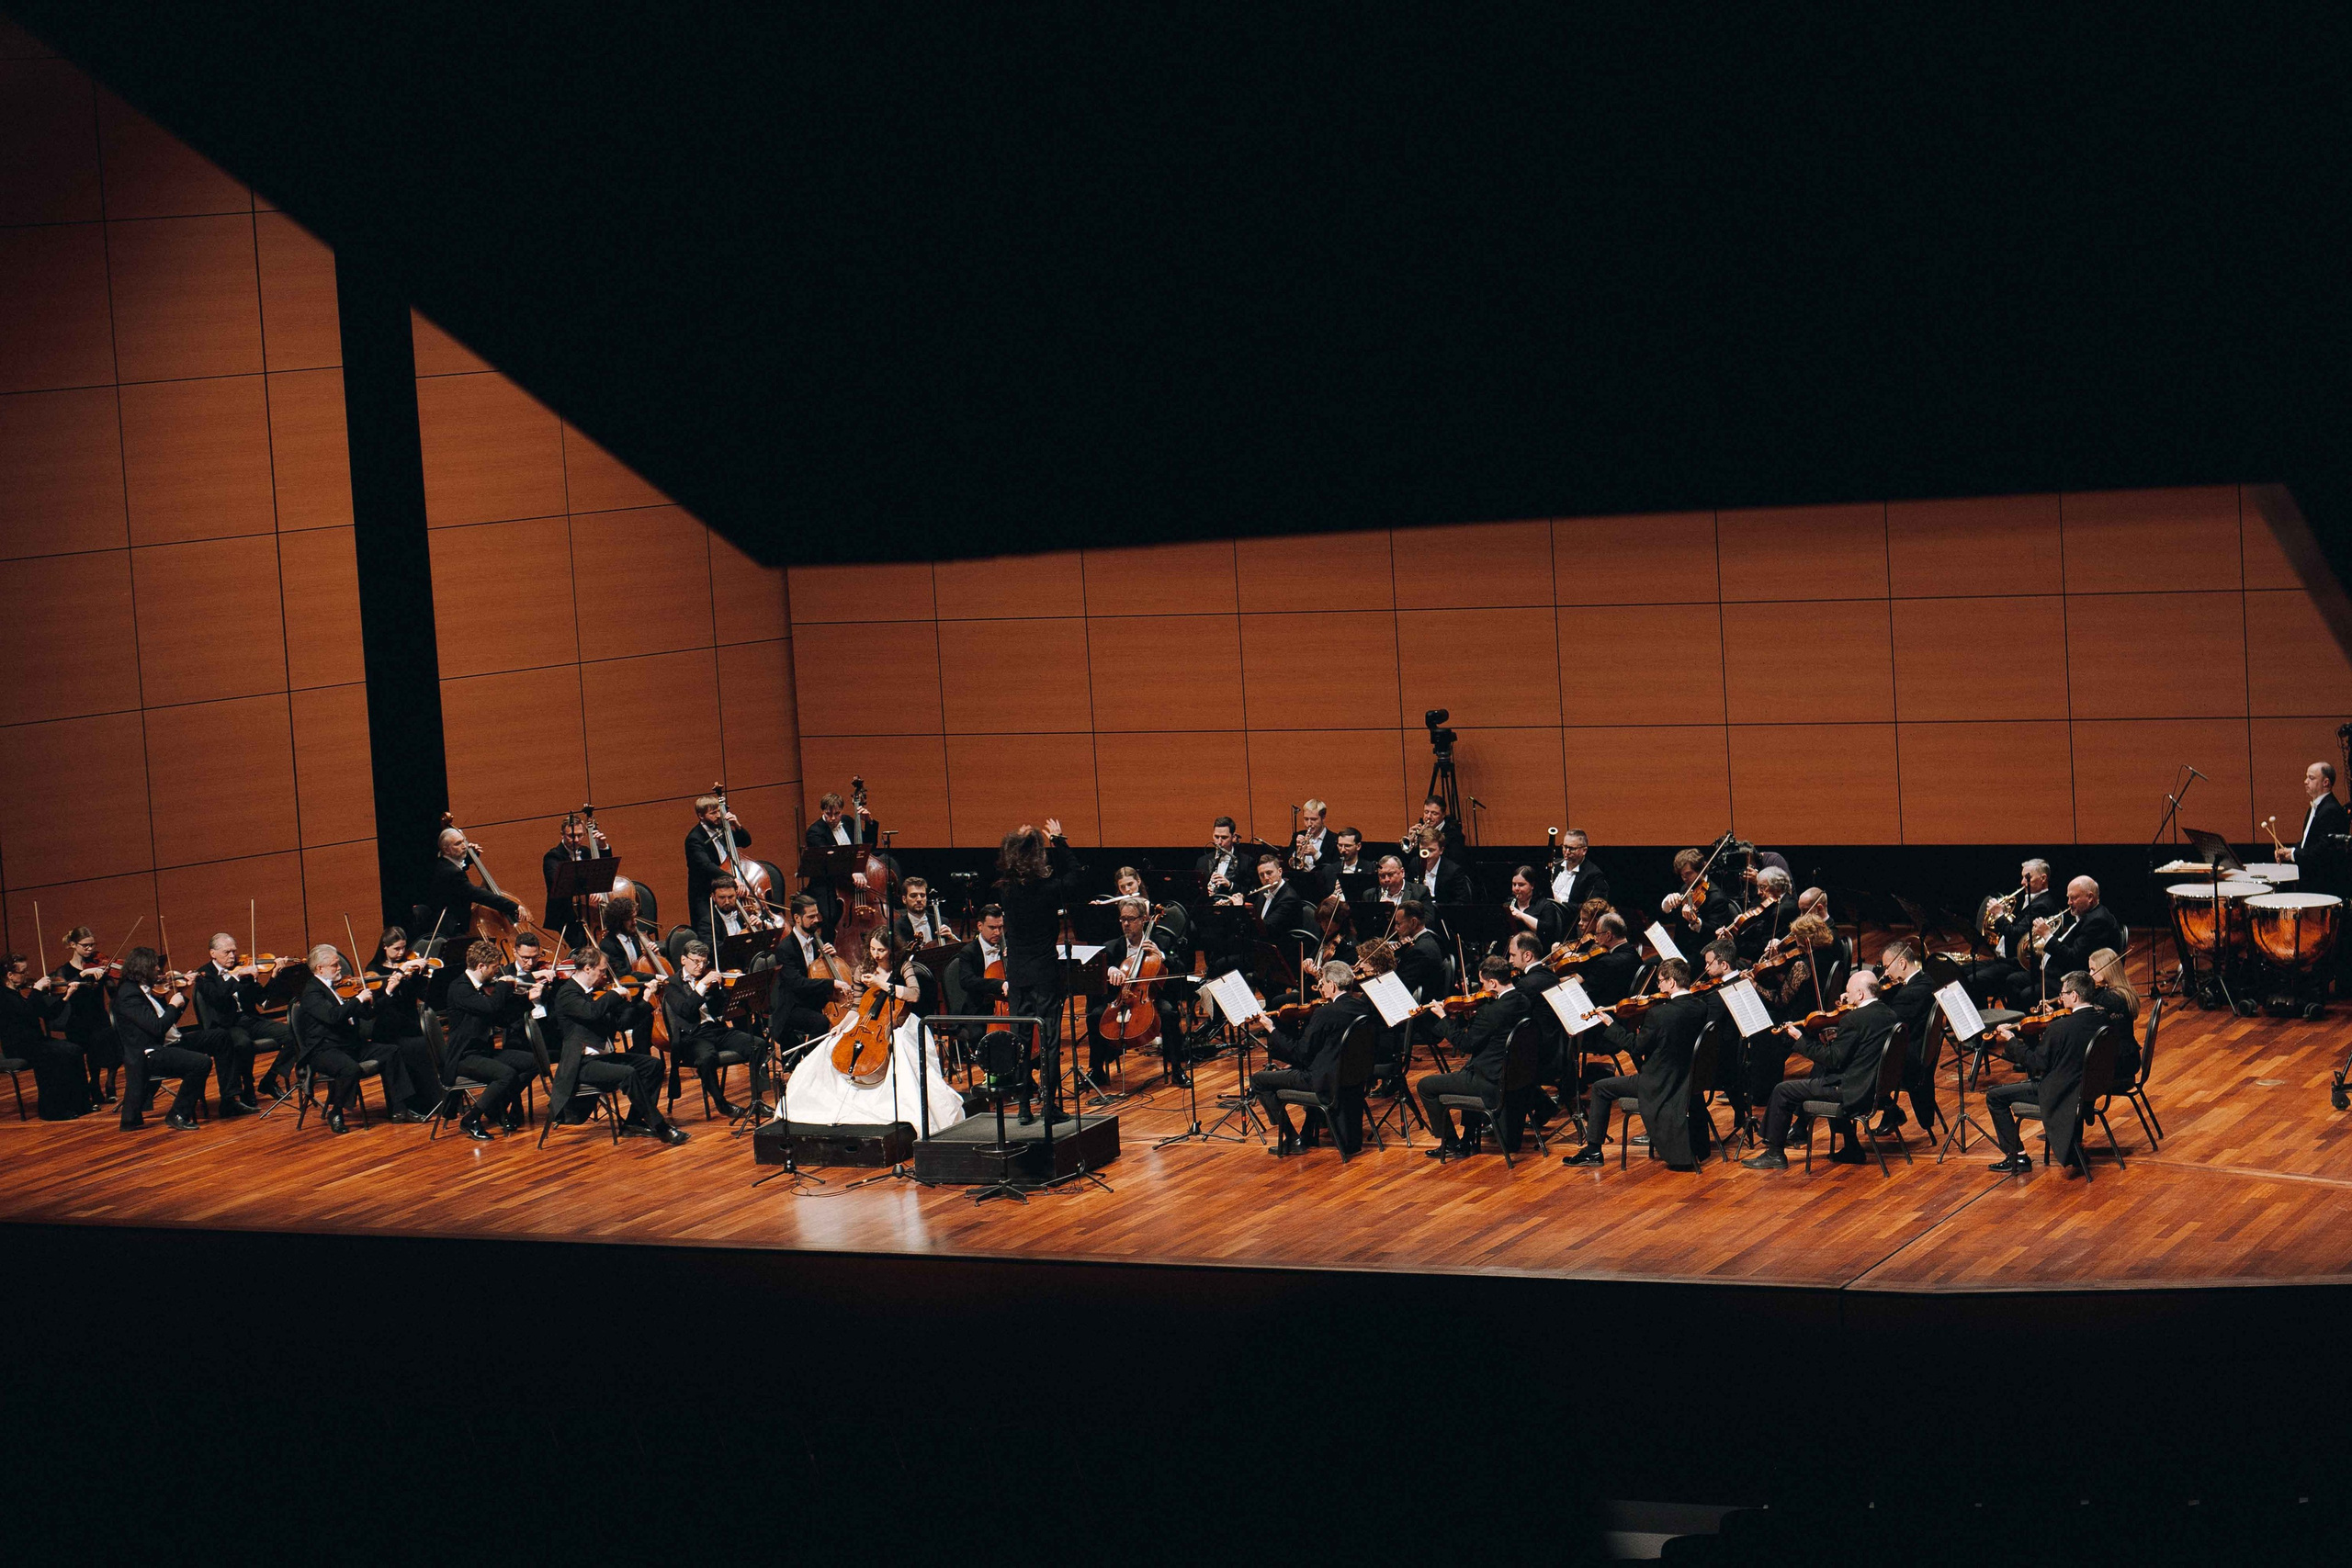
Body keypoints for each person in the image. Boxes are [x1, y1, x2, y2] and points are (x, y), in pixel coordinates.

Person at [1563, 958, 1713, 1170]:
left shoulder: (1659, 1014)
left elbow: (1635, 1047)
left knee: (1600, 1088)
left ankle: (1593, 1150)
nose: (1658, 987)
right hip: (1686, 1078)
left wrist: (1610, 1024)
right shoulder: (1701, 1007)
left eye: (1660, 981)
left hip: (1658, 1083)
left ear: (1671, 982)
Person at [1740, 970, 1896, 1170]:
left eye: (1848, 992)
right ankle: (1851, 1147)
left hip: (1851, 1091)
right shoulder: (1889, 1014)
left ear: (1860, 994)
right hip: (1874, 1088)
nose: (1845, 996)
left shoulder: (1854, 1019)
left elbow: (1833, 1060)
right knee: (1821, 1073)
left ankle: (1775, 1153)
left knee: (1782, 1090)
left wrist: (1800, 1039)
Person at [546, 946, 686, 1145]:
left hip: (603, 1058)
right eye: (602, 971)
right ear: (587, 968)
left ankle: (634, 1123)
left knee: (653, 1065)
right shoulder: (567, 994)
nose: (605, 976)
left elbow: (621, 1024)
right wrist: (614, 995)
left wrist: (645, 1000)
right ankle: (660, 1126)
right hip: (581, 1064)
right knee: (627, 1073)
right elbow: (591, 1013)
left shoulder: (595, 994)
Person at [995, 819, 1084, 1124]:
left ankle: (1023, 1108)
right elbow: (1075, 876)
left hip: (1017, 973)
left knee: (1020, 1040)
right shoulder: (1048, 890)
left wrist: (1021, 842)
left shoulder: (1006, 891)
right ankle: (1049, 1106)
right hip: (1045, 973)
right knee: (1049, 1041)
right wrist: (1059, 841)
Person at [1248, 960, 1380, 1155]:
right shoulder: (1363, 1008)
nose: (1320, 988)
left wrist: (1271, 1028)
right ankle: (1307, 1134)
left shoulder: (1325, 1013)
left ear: (1332, 985)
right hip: (1354, 1078)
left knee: (1259, 1080)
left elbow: (1299, 1054)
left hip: (1324, 1082)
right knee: (1309, 1066)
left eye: (1323, 984)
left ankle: (1292, 1139)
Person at [1984, 969, 2102, 1177]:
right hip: (2087, 1091)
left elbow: (2036, 1062)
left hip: (2060, 1094)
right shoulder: (2103, 1020)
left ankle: (2017, 1156)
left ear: (2074, 996)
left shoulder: (2061, 1028)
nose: (2062, 997)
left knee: (1994, 1096)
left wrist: (2012, 1041)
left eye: (2064, 994)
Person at [1416, 956, 1533, 1159]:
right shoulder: (1523, 1001)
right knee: (1467, 1070)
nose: (1481, 988)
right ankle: (1468, 1139)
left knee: (1425, 1086)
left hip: (1490, 1082)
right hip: (1516, 1078)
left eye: (1483, 983)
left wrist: (1444, 1019)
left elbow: (1466, 1044)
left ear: (1493, 983)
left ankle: (1451, 1143)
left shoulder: (1491, 1012)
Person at [439, 940, 547, 1138]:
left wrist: (527, 999)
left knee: (534, 1062)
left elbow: (502, 1017)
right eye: (495, 968)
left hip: (483, 1051)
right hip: (464, 1056)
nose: (497, 972)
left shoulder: (482, 988)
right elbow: (491, 1008)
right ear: (481, 967)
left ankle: (495, 1105)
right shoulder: (460, 988)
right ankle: (471, 1118)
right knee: (505, 1074)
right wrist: (504, 987)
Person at [111, 946, 224, 1131]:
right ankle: (177, 1114)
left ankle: (229, 1099)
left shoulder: (145, 991)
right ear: (143, 967)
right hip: (149, 1052)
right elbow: (157, 1028)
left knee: (220, 1037)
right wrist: (173, 1004)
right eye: (155, 966)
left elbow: (166, 1023)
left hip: (167, 1041)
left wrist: (183, 993)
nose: (159, 970)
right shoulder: (128, 994)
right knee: (201, 1063)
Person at [662, 939, 770, 1119]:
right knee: (706, 1057)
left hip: (717, 1030)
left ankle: (757, 1101)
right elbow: (686, 1011)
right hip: (692, 1036)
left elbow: (724, 1009)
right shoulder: (671, 984)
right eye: (696, 961)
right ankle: (722, 1104)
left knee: (757, 1044)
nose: (701, 966)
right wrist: (703, 985)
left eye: (704, 962)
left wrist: (723, 990)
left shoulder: (709, 978)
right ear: (683, 960)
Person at [192, 934, 299, 1101]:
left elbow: (263, 1000)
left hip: (250, 1019)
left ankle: (270, 1079)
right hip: (226, 1025)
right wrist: (236, 977)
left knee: (294, 1035)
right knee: (242, 1044)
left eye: (234, 951)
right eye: (227, 952)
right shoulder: (204, 975)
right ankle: (248, 1086)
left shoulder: (244, 968)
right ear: (213, 953)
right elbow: (218, 997)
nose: (232, 956)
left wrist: (275, 976)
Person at [2278, 761, 2352, 991]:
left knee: (2324, 938)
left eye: (2311, 777)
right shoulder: (2314, 808)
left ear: (2326, 782)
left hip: (2325, 886)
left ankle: (2324, 981)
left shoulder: (2332, 811)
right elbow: (2308, 843)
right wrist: (2291, 850)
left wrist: (2293, 854)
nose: (2305, 781)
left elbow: (2324, 850)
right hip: (2313, 883)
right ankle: (2316, 978)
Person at [1088, 899, 1179, 1085]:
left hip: (1150, 998)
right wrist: (1110, 970)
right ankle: (1097, 1070)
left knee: (1169, 1013)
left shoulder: (1161, 941)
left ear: (1144, 919)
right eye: (1123, 920)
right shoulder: (1112, 946)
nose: (1126, 924)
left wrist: (1160, 955)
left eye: (1131, 919)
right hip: (1120, 1000)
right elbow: (1096, 970)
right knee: (1095, 1016)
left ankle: (1177, 1068)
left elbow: (1180, 966)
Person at [1, 953, 93, 1120]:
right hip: (18, 1046)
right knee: (54, 1055)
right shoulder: (4, 996)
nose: (27, 975)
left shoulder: (23, 993)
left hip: (36, 1042)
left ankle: (79, 1104)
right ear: (10, 975)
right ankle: (52, 1111)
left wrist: (67, 996)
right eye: (23, 972)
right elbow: (25, 1014)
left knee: (74, 1050)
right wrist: (36, 990)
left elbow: (50, 1015)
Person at [365, 928, 444, 1118]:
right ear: (384, 947)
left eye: (403, 948)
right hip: (388, 1028)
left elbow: (420, 995)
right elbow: (379, 1006)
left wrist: (419, 976)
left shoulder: (409, 965)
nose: (401, 953)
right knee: (413, 1047)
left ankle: (436, 1103)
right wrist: (397, 977)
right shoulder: (373, 970)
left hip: (410, 1023)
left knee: (426, 1045)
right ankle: (410, 1106)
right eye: (396, 949)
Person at [2009, 875, 2122, 1009]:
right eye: (2068, 897)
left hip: (2076, 980)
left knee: (2027, 995)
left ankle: (2032, 1026)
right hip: (2058, 971)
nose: (2069, 902)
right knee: (2013, 981)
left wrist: (2047, 935)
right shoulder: (2086, 916)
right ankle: (2016, 1024)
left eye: (2073, 898)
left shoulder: (2097, 921)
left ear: (2090, 897)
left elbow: (2073, 958)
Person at [1870, 941, 1942, 1138]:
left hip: (1908, 1060)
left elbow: (1887, 1025)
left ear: (1902, 963)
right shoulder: (1925, 981)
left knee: (1860, 1060)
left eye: (1886, 967)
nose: (1885, 974)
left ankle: (1889, 1109)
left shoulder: (1910, 994)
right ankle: (1890, 1110)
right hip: (1917, 1051)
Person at [428, 828, 530, 953]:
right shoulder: (451, 873)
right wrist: (513, 906)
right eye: (457, 844)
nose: (464, 846)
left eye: (463, 841)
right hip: (453, 929)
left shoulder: (444, 864)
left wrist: (472, 856)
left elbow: (461, 865)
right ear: (446, 849)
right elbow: (478, 895)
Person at [769, 894, 849, 1050]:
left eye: (816, 915)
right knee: (821, 1022)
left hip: (813, 1000)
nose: (816, 920)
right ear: (797, 918)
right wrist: (832, 983)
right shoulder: (785, 948)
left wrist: (829, 958)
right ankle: (811, 1062)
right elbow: (797, 983)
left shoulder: (816, 941)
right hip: (792, 1006)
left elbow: (816, 973)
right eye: (811, 917)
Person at [54, 927, 120, 1102]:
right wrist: (82, 974)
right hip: (78, 1021)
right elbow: (62, 990)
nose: (90, 949)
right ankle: (94, 1085)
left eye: (92, 945)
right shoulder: (64, 971)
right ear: (73, 945)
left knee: (115, 1041)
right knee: (93, 1044)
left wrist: (108, 976)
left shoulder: (98, 965)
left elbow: (113, 992)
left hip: (99, 1017)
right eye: (86, 946)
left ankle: (110, 1082)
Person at [685, 792, 752, 937]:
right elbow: (706, 866)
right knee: (712, 931)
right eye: (713, 813)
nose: (718, 816)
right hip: (705, 893)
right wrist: (733, 880)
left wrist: (737, 825)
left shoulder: (723, 827)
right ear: (701, 816)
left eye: (719, 811)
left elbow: (746, 842)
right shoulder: (694, 839)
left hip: (726, 888)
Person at [542, 811, 604, 945]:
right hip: (566, 913)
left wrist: (603, 847)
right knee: (582, 947)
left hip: (590, 911)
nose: (576, 840)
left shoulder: (587, 852)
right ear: (562, 835)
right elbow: (559, 883)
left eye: (580, 835)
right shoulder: (553, 857)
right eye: (571, 836)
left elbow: (603, 871)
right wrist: (587, 891)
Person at [2086, 946, 2143, 1088]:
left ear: (2106, 970)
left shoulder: (2109, 999)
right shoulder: (2123, 992)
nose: (2089, 974)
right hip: (2129, 1059)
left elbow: (2087, 1022)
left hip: (2118, 1064)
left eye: (2093, 970)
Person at [1502, 865, 1565, 951]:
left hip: (1537, 951)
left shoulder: (1545, 905)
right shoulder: (1509, 905)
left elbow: (1547, 931)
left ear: (1532, 885)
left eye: (1521, 885)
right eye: (1514, 884)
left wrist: (1521, 916)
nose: (1516, 888)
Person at [1409, 825, 1473, 906]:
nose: (1426, 855)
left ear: (1441, 850)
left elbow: (1461, 902)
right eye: (1423, 850)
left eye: (1431, 850)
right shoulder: (1415, 864)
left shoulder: (1453, 871)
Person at [1549, 829, 1609, 910]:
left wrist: (1559, 903)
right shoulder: (1555, 864)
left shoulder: (1593, 875)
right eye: (1565, 847)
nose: (1566, 852)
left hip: (1569, 918)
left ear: (1584, 850)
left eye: (1571, 849)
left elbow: (1591, 908)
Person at [894, 876, 951, 947]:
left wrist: (952, 938)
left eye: (922, 895)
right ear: (904, 899)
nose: (919, 899)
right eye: (913, 896)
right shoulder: (897, 927)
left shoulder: (942, 922)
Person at [1197, 817, 1244, 897]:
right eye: (1216, 837)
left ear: (1234, 837)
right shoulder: (1202, 861)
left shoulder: (1245, 861)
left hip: (1230, 907)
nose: (1219, 842)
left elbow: (1251, 892)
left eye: (1224, 837)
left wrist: (1230, 885)